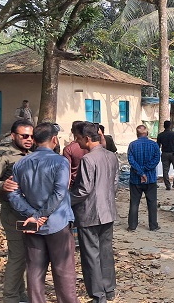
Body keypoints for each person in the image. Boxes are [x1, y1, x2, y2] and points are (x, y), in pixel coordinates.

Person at [8, 122, 79, 303]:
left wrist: (33, 215)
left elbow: (13, 194)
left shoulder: (21, 163)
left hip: (31, 225)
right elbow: (60, 193)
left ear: (35, 140)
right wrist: (40, 216)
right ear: (54, 140)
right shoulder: (60, 161)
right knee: (63, 272)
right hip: (58, 224)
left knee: (35, 272)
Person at [70, 121, 120, 302]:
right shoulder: (112, 156)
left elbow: (83, 189)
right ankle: (109, 289)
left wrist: (67, 199)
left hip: (89, 213)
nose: (77, 142)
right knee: (105, 252)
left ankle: (98, 295)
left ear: (87, 138)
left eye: (78, 139)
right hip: (108, 211)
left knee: (91, 255)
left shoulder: (88, 159)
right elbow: (114, 185)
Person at [0, 120, 33, 303]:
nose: (28, 139)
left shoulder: (33, 154)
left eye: (31, 136)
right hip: (11, 213)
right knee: (18, 256)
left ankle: (20, 294)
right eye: (24, 136)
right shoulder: (3, 155)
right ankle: (10, 297)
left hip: (29, 213)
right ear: (13, 136)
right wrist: (2, 185)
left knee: (23, 255)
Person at [127, 125, 161, 231]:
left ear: (137, 134)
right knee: (152, 203)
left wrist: (141, 172)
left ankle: (132, 226)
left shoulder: (132, 145)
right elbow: (156, 160)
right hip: (150, 179)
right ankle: (153, 225)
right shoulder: (154, 145)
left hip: (135, 179)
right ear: (147, 133)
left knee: (134, 203)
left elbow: (131, 161)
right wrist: (145, 171)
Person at [63, 120, 89, 185]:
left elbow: (67, 171)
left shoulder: (68, 149)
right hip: (89, 182)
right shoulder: (90, 146)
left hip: (74, 184)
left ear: (72, 131)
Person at [157, 120, 174, 190]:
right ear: (170, 126)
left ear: (164, 126)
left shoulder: (160, 135)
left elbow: (157, 146)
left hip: (164, 153)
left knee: (165, 170)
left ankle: (167, 185)